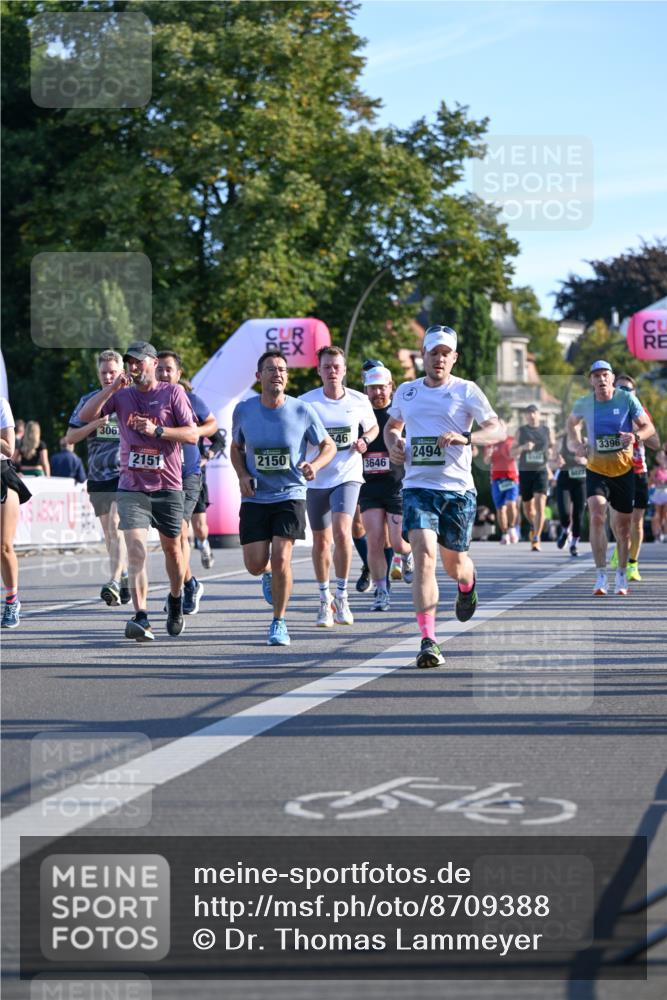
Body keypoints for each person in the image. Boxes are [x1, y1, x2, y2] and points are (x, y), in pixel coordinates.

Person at [384, 325, 504, 668]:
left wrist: (466, 437)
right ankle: (429, 640)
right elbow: (392, 427)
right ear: (422, 355)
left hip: (457, 491)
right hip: (417, 487)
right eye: (433, 352)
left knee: (455, 565)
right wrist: (394, 445)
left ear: (454, 358)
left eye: (445, 354)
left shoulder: (466, 390)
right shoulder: (406, 392)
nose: (438, 359)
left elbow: (498, 429)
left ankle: (468, 585)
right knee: (423, 556)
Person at [78, 340, 198, 641]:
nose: (134, 367)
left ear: (153, 363)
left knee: (173, 550)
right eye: (130, 362)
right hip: (132, 487)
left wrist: (158, 431)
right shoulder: (122, 395)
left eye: (139, 361)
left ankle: (175, 599)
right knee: (135, 549)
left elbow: (192, 434)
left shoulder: (173, 393)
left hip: (168, 485)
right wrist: (111, 389)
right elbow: (85, 417)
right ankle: (142, 615)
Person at [231, 349, 336, 645]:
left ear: (287, 377)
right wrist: (242, 475)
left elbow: (328, 445)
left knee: (281, 557)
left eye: (282, 369)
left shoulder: (302, 410)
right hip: (255, 496)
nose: (277, 374)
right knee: (255, 564)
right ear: (259, 376)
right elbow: (236, 448)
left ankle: (279, 622)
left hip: (290, 493)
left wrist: (315, 465)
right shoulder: (244, 410)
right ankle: (266, 573)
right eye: (271, 369)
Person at [299, 346, 379, 627]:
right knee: (322, 541)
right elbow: (296, 436)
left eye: (337, 366)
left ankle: (342, 596)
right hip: (317, 477)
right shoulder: (306, 402)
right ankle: (325, 599)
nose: (332, 371)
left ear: (344, 370)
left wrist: (365, 440)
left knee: (343, 532)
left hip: (348, 474)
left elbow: (373, 427)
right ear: (319, 370)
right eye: (327, 367)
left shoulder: (359, 400)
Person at [567, 360, 655, 596]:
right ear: (591, 380)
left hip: (624, 471)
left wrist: (635, 436)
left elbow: (648, 428)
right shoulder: (584, 402)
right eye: (596, 376)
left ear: (612, 378)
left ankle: (622, 574)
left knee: (623, 528)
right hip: (596, 469)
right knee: (597, 514)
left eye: (605, 375)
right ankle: (601, 575)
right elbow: (571, 423)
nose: (601, 379)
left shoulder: (627, 399)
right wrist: (576, 443)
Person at [67, 349, 130, 607]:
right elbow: (70, 437)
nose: (108, 377)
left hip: (124, 475)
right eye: (104, 372)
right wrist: (95, 424)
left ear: (121, 372)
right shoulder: (89, 401)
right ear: (98, 373)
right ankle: (123, 575)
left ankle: (113, 580)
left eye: (112, 372)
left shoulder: (132, 398)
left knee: (116, 525)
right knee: (109, 533)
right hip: (97, 476)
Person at [156, 352, 218, 615]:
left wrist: (194, 433)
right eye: (159, 369)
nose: (163, 374)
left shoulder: (190, 399)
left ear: (178, 374)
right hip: (159, 475)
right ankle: (189, 583)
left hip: (188, 474)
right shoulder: (147, 400)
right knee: (169, 540)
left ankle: (179, 593)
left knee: (180, 531)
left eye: (168, 369)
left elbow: (212, 425)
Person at [358, 364, 413, 611]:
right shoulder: (360, 415)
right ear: (366, 390)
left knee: (398, 543)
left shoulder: (399, 415)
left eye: (382, 387)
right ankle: (381, 591)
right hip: (369, 487)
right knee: (374, 541)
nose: (378, 392)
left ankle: (407, 555)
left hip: (396, 485)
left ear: (391, 387)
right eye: (372, 388)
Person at [609, 374, 661, 578]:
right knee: (618, 518)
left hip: (638, 471)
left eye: (628, 390)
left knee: (636, 521)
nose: (623, 393)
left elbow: (656, 443)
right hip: (615, 469)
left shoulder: (641, 413)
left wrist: (638, 433)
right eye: (620, 388)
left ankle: (632, 563)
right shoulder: (605, 410)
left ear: (635, 393)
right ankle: (621, 545)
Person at [1, 397, 32, 629]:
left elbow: (9, 448)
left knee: (3, 546)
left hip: (1, 474)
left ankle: (12, 601)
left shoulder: (1, 404)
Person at [512, 404, 553, 550]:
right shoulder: (521, 431)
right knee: (528, 509)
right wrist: (523, 448)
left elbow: (553, 447)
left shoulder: (547, 430)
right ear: (526, 416)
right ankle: (536, 524)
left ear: (539, 414)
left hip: (541, 471)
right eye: (529, 413)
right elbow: (512, 452)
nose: (531, 415)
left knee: (540, 503)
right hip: (525, 472)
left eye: (534, 412)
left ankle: (536, 537)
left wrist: (553, 457)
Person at [554, 431, 587, 557]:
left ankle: (574, 544)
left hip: (581, 483)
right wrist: (557, 461)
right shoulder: (561, 441)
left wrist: (585, 461)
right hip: (564, 482)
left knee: (578, 515)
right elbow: (550, 461)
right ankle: (565, 531)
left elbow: (597, 461)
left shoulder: (586, 441)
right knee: (565, 512)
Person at [484, 432, 520, 544]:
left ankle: (512, 528)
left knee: (511, 504)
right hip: (496, 479)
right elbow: (486, 461)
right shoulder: (490, 442)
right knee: (500, 509)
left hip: (511, 477)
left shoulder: (512, 440)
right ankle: (504, 534)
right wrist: (489, 455)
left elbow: (517, 455)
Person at [649, 447, 667, 543]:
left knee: (665, 514)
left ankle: (665, 534)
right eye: (659, 456)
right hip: (658, 493)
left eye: (662, 456)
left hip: (666, 492)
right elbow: (650, 482)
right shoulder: (656, 469)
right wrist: (656, 482)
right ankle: (658, 534)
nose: (660, 458)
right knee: (658, 515)